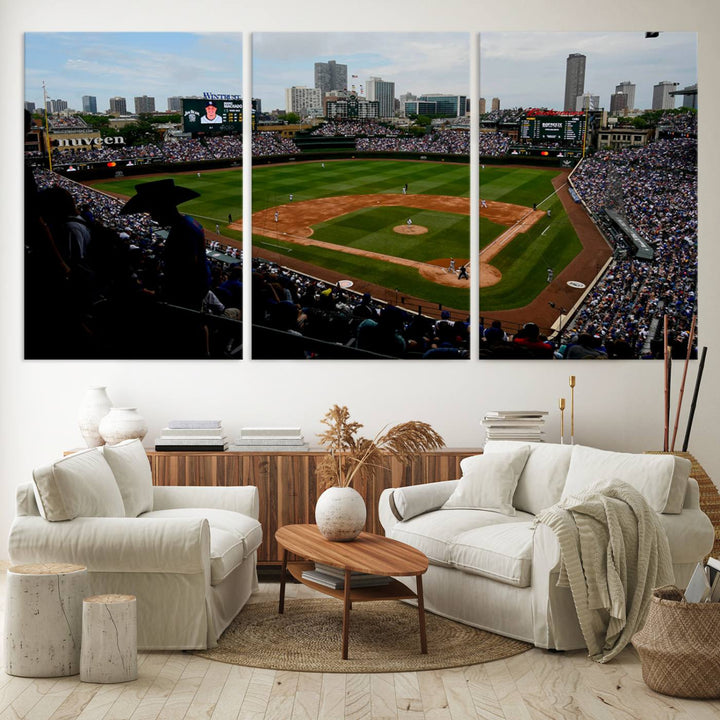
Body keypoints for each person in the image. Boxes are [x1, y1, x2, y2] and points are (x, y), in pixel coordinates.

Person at [120, 179, 209, 311]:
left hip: (185, 300)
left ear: (162, 208)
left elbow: (186, 273)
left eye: (152, 211)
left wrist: (160, 295)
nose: (152, 216)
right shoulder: (187, 222)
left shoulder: (182, 231)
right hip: (192, 294)